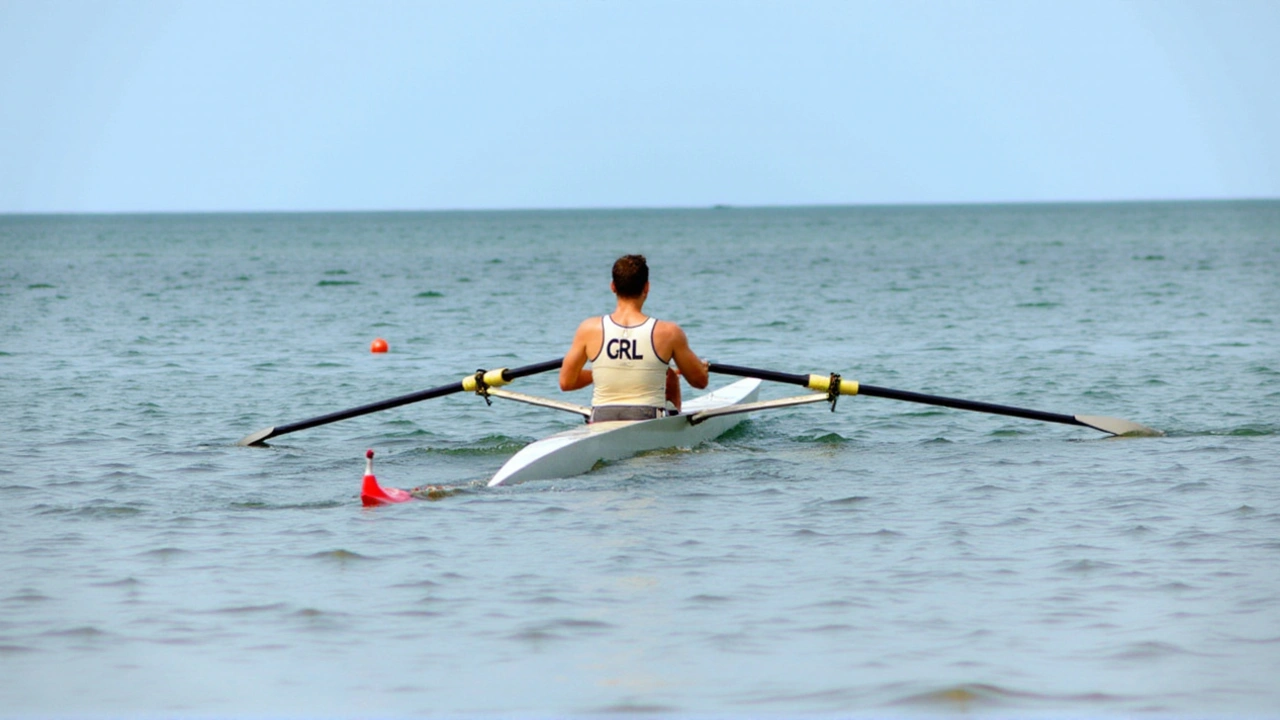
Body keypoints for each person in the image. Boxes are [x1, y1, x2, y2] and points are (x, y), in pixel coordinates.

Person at [560, 254, 710, 423]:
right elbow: (700, 382)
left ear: (613, 286)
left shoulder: (588, 329)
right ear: (646, 287)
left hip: (601, 418)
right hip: (647, 418)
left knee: (668, 374)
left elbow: (566, 382)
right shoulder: (669, 332)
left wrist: (607, 371)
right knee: (670, 375)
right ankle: (674, 425)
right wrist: (701, 369)